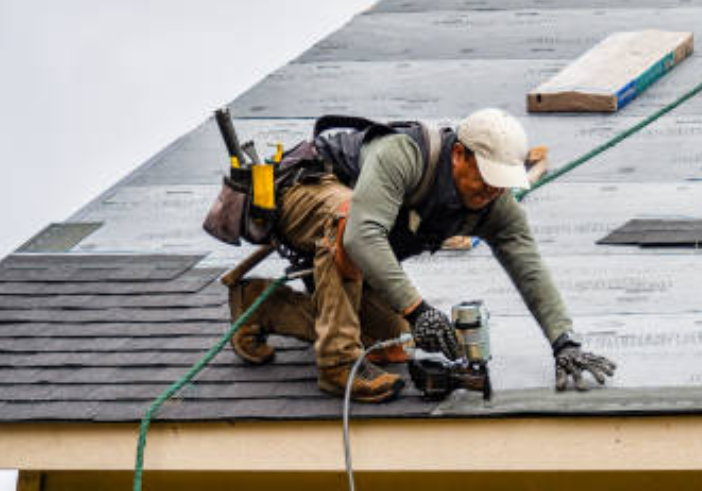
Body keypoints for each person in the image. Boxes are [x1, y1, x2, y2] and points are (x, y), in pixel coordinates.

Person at [227, 108, 616, 402]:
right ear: (460, 155)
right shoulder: (404, 155)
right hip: (303, 193)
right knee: (348, 218)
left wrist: (564, 341)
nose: (491, 192)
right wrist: (419, 309)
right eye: (485, 178)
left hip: (348, 256)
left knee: (392, 344)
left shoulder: (493, 202)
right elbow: (362, 235)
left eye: (500, 184)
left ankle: (260, 307)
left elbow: (528, 264)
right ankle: (337, 365)